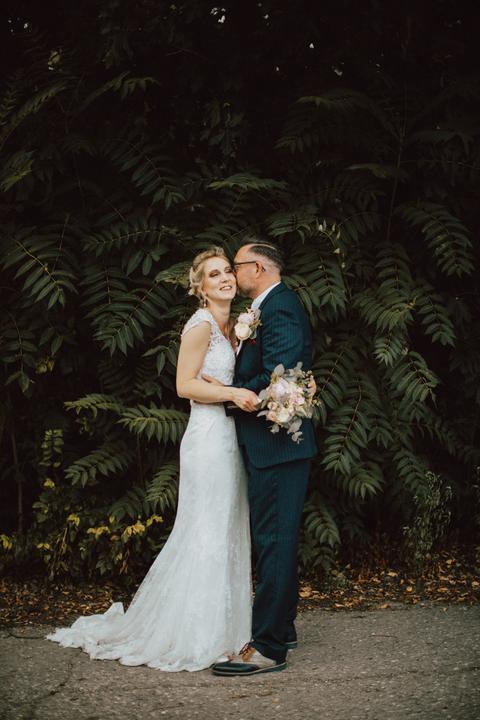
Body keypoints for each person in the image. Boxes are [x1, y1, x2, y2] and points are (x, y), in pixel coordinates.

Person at [46, 247, 258, 671]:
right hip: (207, 437)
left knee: (227, 526)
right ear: (200, 287)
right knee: (205, 528)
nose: (224, 279)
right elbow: (184, 385)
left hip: (230, 437)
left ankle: (231, 630)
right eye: (213, 274)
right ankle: (198, 634)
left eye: (227, 272)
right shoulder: (200, 326)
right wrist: (231, 392)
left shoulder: (237, 326)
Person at [208, 240, 317, 676]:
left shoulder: (280, 308)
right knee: (278, 539)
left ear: (256, 268)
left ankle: (268, 647)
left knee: (274, 541)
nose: (232, 274)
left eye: (236, 266)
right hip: (273, 446)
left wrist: (227, 393)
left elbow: (279, 378)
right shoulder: (266, 308)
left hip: (277, 446)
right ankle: (283, 629)